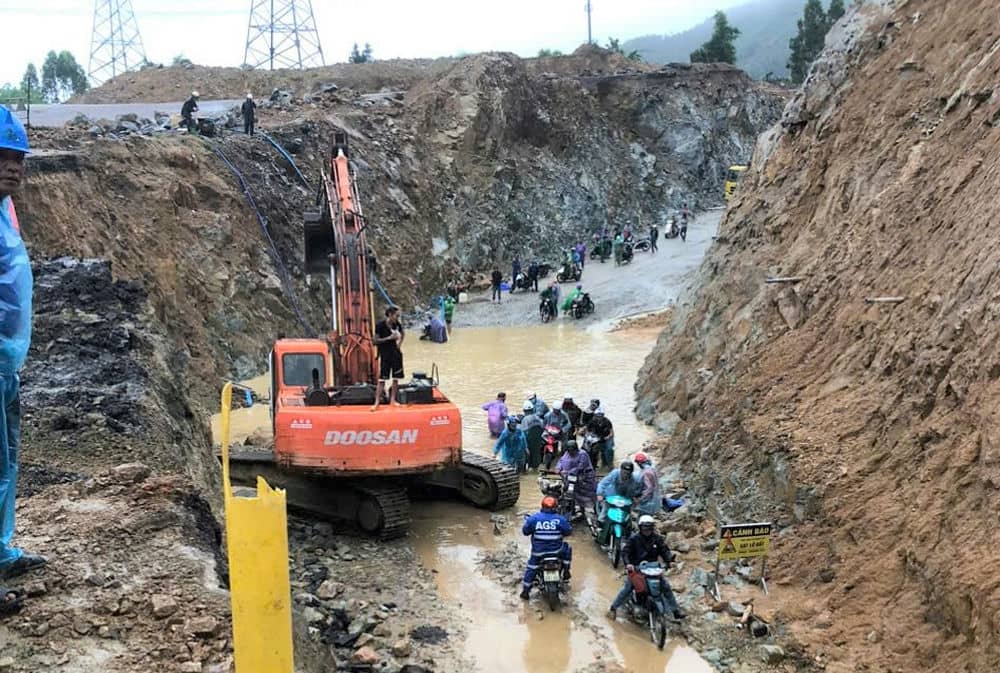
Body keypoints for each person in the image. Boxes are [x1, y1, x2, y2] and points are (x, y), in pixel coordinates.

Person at [0, 108, 45, 599]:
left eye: (19, 158)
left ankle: (1, 549)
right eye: (3, 157)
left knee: (4, 461)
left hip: (5, 363)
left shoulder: (5, 210)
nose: (13, 167)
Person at [608, 515, 683, 620]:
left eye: (649, 528)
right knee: (628, 588)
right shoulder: (634, 539)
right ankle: (613, 608)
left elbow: (664, 550)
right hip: (637, 570)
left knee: (665, 587)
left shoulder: (657, 539)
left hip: (653, 570)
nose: (647, 530)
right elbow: (625, 552)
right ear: (640, 527)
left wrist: (669, 561)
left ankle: (675, 611)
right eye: (645, 528)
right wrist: (628, 564)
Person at [520, 496, 572, 599]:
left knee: (531, 568)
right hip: (556, 552)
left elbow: (525, 532)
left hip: (538, 553)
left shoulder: (534, 518)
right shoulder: (560, 519)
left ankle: (525, 592)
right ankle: (566, 571)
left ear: (542, 506)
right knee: (567, 548)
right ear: (555, 507)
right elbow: (568, 531)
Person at [372, 306, 404, 410]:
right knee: (382, 379)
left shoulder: (397, 324)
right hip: (385, 355)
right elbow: (375, 341)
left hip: (395, 354)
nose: (397, 318)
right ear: (390, 314)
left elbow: (403, 334)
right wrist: (389, 338)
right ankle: (376, 403)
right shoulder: (380, 326)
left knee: (396, 378)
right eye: (396, 316)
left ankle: (393, 400)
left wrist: (399, 344)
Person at [556, 440, 596, 514]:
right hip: (570, 477)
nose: (571, 452)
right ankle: (570, 507)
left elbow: (580, 466)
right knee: (567, 490)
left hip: (584, 476)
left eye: (572, 451)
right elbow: (561, 461)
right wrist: (558, 468)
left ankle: (585, 509)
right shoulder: (567, 453)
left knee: (585, 494)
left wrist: (568, 471)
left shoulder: (582, 454)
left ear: (576, 449)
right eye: (569, 451)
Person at [520, 401, 546, 470]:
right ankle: (535, 471)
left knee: (526, 457)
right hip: (537, 442)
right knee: (536, 456)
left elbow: (523, 433)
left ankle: (525, 472)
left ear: (524, 410)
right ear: (532, 409)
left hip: (528, 442)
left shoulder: (525, 419)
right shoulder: (537, 418)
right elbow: (543, 428)